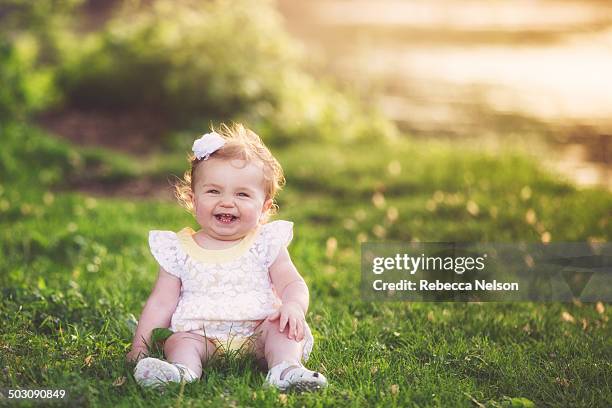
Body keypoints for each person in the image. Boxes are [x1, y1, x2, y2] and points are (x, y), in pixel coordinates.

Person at [126, 123, 327, 392]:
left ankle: (286, 369)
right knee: (179, 341)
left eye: (242, 194)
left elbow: (292, 283)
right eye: (213, 191)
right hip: (201, 337)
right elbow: (160, 303)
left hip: (258, 333)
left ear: (264, 207)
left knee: (282, 330)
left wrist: (293, 305)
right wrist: (139, 347)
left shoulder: (265, 243)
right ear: (193, 198)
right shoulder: (179, 248)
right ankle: (181, 373)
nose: (227, 202)